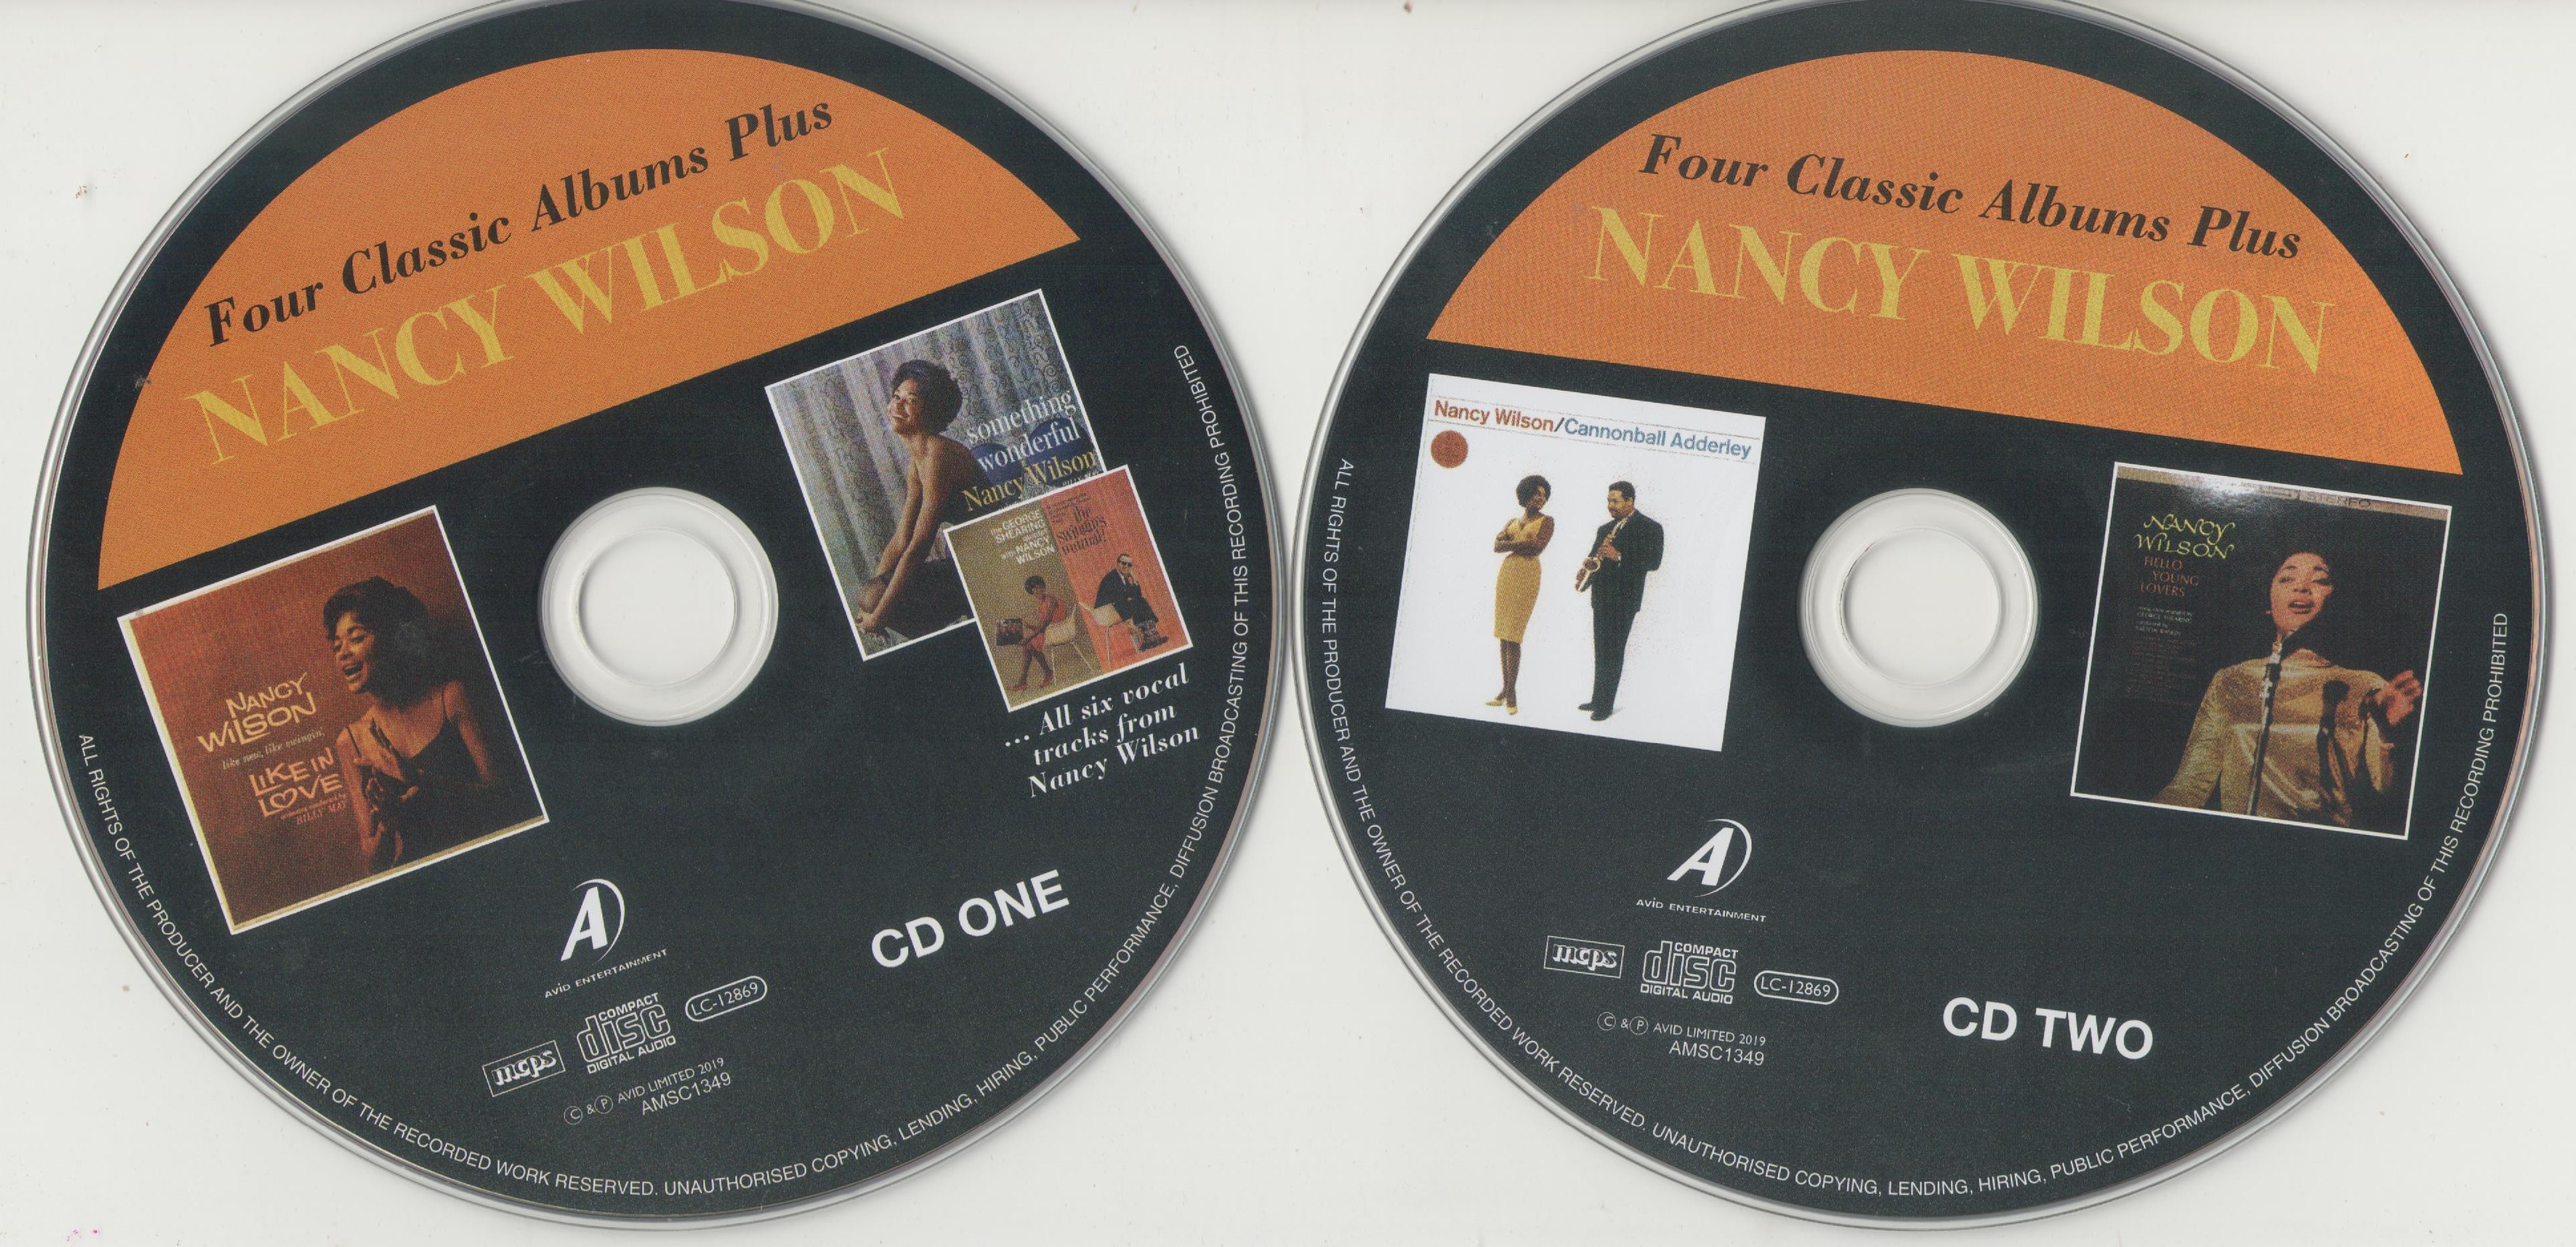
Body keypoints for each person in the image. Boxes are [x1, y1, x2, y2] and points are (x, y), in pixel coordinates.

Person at [2155, 548, 2422, 828]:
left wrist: (2390, 734)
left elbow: (2387, 793)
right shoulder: (2232, 681)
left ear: (2336, 599)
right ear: (2268, 602)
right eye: (2287, 579)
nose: (2302, 587)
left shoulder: (2365, 686)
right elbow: (2190, 786)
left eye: (2319, 580)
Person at [324, 578, 504, 870]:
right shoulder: (351, 741)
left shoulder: (451, 698)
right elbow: (374, 862)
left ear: (392, 638)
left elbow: (505, 798)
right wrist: (387, 824)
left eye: (356, 638)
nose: (342, 653)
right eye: (336, 645)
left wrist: (423, 782)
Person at [856, 359, 981, 641]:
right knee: (871, 595)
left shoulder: (938, 455)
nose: (897, 406)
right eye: (896, 397)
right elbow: (901, 539)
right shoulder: (918, 460)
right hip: (962, 560)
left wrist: (879, 614)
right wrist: (869, 607)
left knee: (877, 598)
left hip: (984, 563)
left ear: (931, 410)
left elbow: (918, 547)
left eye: (910, 400)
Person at [1577, 481, 1664, 721]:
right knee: (1601, 650)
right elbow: (1594, 558)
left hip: (1624, 599)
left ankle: (1606, 706)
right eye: (1608, 501)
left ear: (1630, 501)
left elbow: (1654, 562)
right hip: (1601, 597)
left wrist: (1620, 557)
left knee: (1613, 651)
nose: (1610, 506)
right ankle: (1597, 699)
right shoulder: (1605, 529)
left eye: (1615, 501)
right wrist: (1586, 569)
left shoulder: (1650, 527)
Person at [1487, 475, 1553, 715]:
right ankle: (1505, 689)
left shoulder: (1547, 521)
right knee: (1504, 634)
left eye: (1544, 495)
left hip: (1528, 575)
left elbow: (1537, 548)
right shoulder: (1513, 521)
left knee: (1514, 634)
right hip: (1508, 574)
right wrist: (1520, 543)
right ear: (1525, 495)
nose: (1540, 499)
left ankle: (1512, 692)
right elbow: (1496, 547)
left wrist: (1509, 542)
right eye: (1536, 493)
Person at [1094, 552, 1168, 651]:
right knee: (1139, 604)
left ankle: (1150, 639)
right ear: (1118, 563)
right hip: (1105, 612)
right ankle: (1149, 639)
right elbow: (1117, 600)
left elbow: (1136, 595)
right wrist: (1129, 621)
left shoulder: (1123, 578)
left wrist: (1134, 579)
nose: (1126, 566)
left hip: (1115, 608)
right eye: (1123, 563)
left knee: (1140, 602)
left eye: (1129, 565)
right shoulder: (1112, 577)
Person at [1015, 574, 1069, 691]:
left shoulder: (1050, 600)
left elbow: (1045, 624)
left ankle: (1045, 674)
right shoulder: (1042, 604)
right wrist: (1030, 627)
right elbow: (1043, 626)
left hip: (1061, 630)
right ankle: (1024, 680)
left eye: (1038, 588)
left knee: (1029, 644)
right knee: (1027, 645)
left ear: (1043, 586)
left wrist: (1029, 638)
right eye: (1033, 591)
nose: (1036, 592)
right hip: (1052, 630)